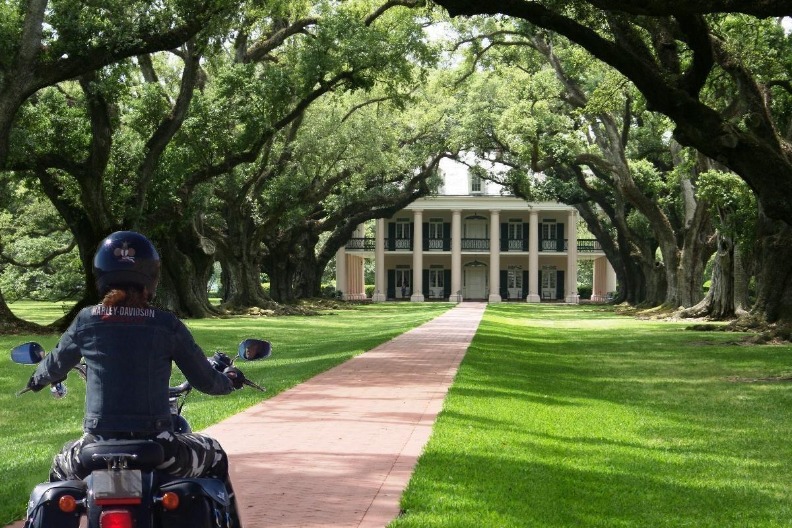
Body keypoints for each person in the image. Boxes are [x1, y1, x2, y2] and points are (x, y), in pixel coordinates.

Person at [26, 230, 244, 524]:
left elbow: (53, 365)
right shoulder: (166, 324)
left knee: (58, 473)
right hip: (160, 447)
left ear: (101, 274)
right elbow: (206, 380)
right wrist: (228, 382)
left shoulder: (87, 320)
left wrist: (37, 381)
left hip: (94, 450)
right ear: (151, 277)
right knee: (216, 454)